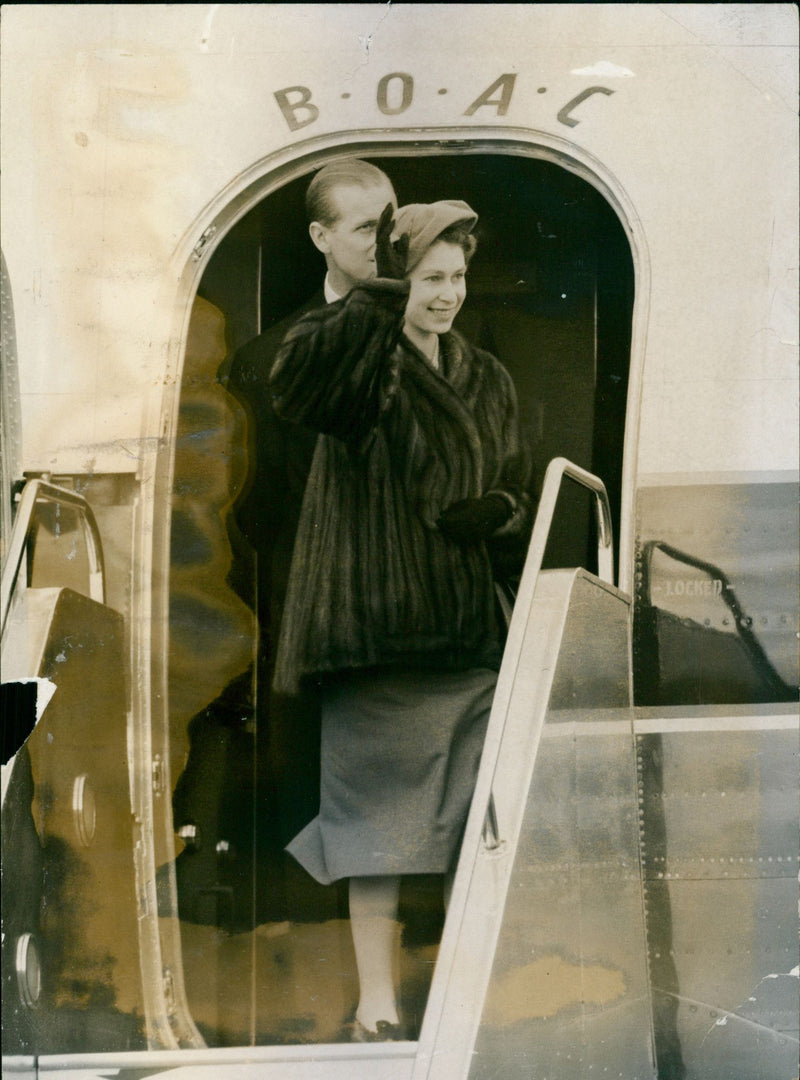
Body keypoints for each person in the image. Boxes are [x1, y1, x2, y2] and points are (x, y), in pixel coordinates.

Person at [269, 200, 533, 1039]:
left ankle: (464, 990)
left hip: (464, 629)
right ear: (396, 281)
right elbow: (303, 385)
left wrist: (496, 510)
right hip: (377, 629)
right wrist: (373, 303)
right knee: (374, 832)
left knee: (476, 821)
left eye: (458, 277)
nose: (448, 294)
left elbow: (519, 485)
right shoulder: (362, 359)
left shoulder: (487, 376)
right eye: (429, 278)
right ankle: (377, 1005)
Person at [219, 161, 398, 914]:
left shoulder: (443, 336)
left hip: (413, 627)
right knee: (312, 806)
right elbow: (250, 511)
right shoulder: (261, 364)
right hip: (309, 625)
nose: (385, 243)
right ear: (321, 238)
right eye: (365, 229)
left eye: (392, 223)